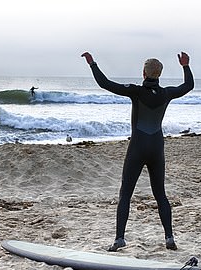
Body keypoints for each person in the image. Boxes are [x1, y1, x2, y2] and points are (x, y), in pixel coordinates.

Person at [81, 50, 194, 251]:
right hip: (157, 148)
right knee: (160, 194)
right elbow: (188, 86)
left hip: (138, 147)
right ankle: (169, 238)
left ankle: (119, 239)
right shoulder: (166, 93)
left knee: (125, 194)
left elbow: (105, 84)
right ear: (159, 74)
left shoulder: (136, 91)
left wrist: (92, 63)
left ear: (144, 73)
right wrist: (185, 66)